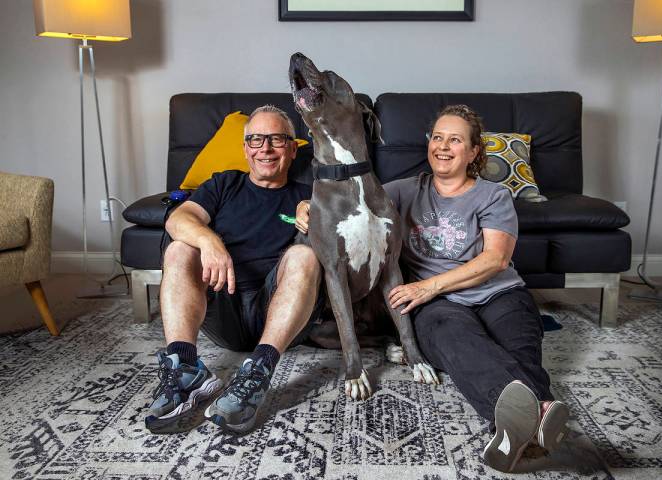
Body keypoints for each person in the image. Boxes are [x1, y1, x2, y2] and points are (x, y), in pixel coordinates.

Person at [295, 104, 569, 473]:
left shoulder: (493, 195)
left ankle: (513, 430)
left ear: (473, 152)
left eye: (455, 139)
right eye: (437, 137)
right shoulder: (400, 191)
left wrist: (427, 286)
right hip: (441, 306)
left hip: (498, 293)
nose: (443, 146)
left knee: (519, 347)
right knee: (458, 345)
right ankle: (541, 414)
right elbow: (348, 199)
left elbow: (495, 260)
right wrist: (307, 204)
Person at [145, 105, 324, 435]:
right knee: (181, 248)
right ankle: (185, 368)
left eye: (275, 139)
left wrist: (318, 211)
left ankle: (259, 370)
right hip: (223, 305)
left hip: (280, 316)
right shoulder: (225, 184)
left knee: (305, 257)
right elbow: (177, 219)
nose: (264, 149)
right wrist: (210, 242)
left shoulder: (310, 194)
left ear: (293, 146)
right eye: (255, 140)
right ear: (245, 149)